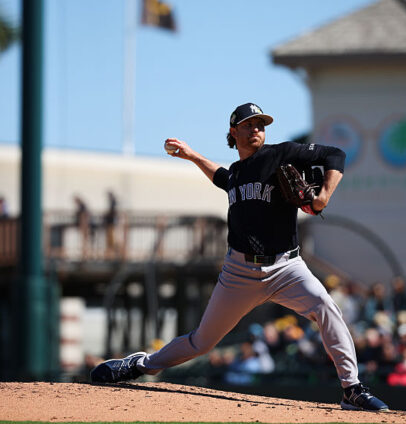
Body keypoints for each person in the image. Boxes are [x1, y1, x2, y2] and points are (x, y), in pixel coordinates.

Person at [90, 102, 389, 412]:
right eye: (249, 124)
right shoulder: (236, 173)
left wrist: (324, 193)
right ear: (234, 132)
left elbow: (335, 155)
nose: (257, 128)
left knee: (326, 307)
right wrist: (193, 156)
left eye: (260, 124)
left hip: (286, 267)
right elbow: (221, 177)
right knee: (202, 343)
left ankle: (351, 388)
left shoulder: (280, 154)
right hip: (239, 272)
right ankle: (142, 365)